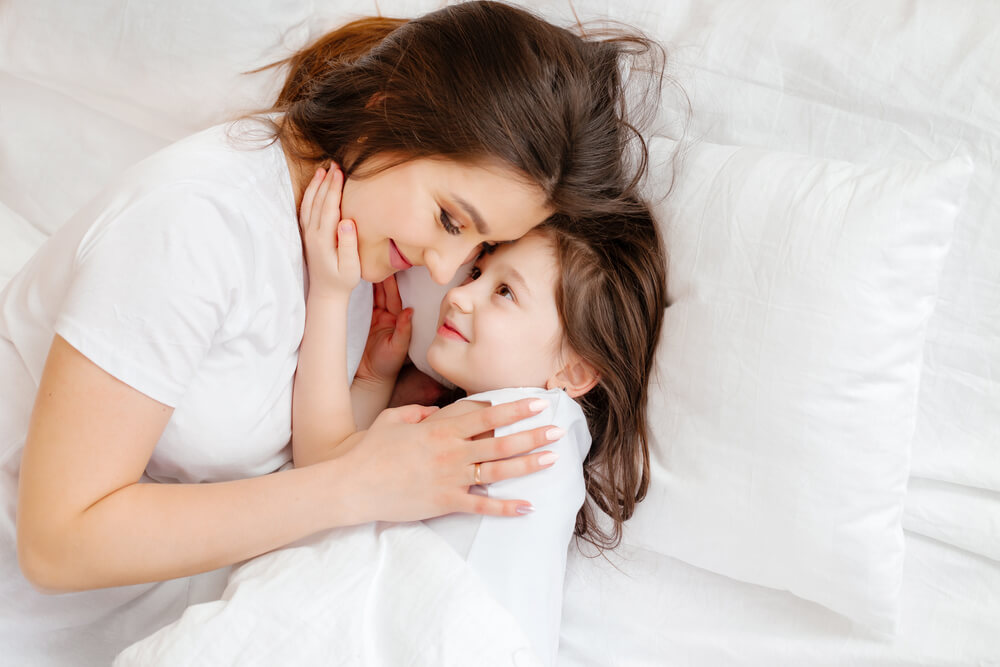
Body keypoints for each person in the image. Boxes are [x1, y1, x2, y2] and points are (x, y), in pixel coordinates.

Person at [0, 2, 662, 663]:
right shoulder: (193, 224)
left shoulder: (354, 244)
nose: (445, 269)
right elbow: (56, 541)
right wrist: (353, 487)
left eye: (484, 244)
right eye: (452, 221)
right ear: (387, 106)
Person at [290, 164, 667, 663]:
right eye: (477, 273)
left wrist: (331, 294)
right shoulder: (536, 435)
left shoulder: (517, 426)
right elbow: (348, 484)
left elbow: (321, 474)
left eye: (505, 292)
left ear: (575, 372)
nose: (459, 295)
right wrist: (378, 382)